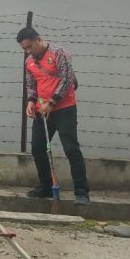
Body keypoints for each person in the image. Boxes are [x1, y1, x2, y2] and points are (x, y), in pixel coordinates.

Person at [17, 26, 90, 206]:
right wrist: (31, 102)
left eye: (29, 47)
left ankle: (81, 192)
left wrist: (52, 102)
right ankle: (46, 186)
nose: (28, 52)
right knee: (37, 147)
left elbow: (67, 82)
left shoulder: (59, 53)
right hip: (43, 111)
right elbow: (31, 84)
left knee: (71, 148)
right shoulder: (29, 62)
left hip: (64, 108)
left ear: (38, 40)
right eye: (24, 49)